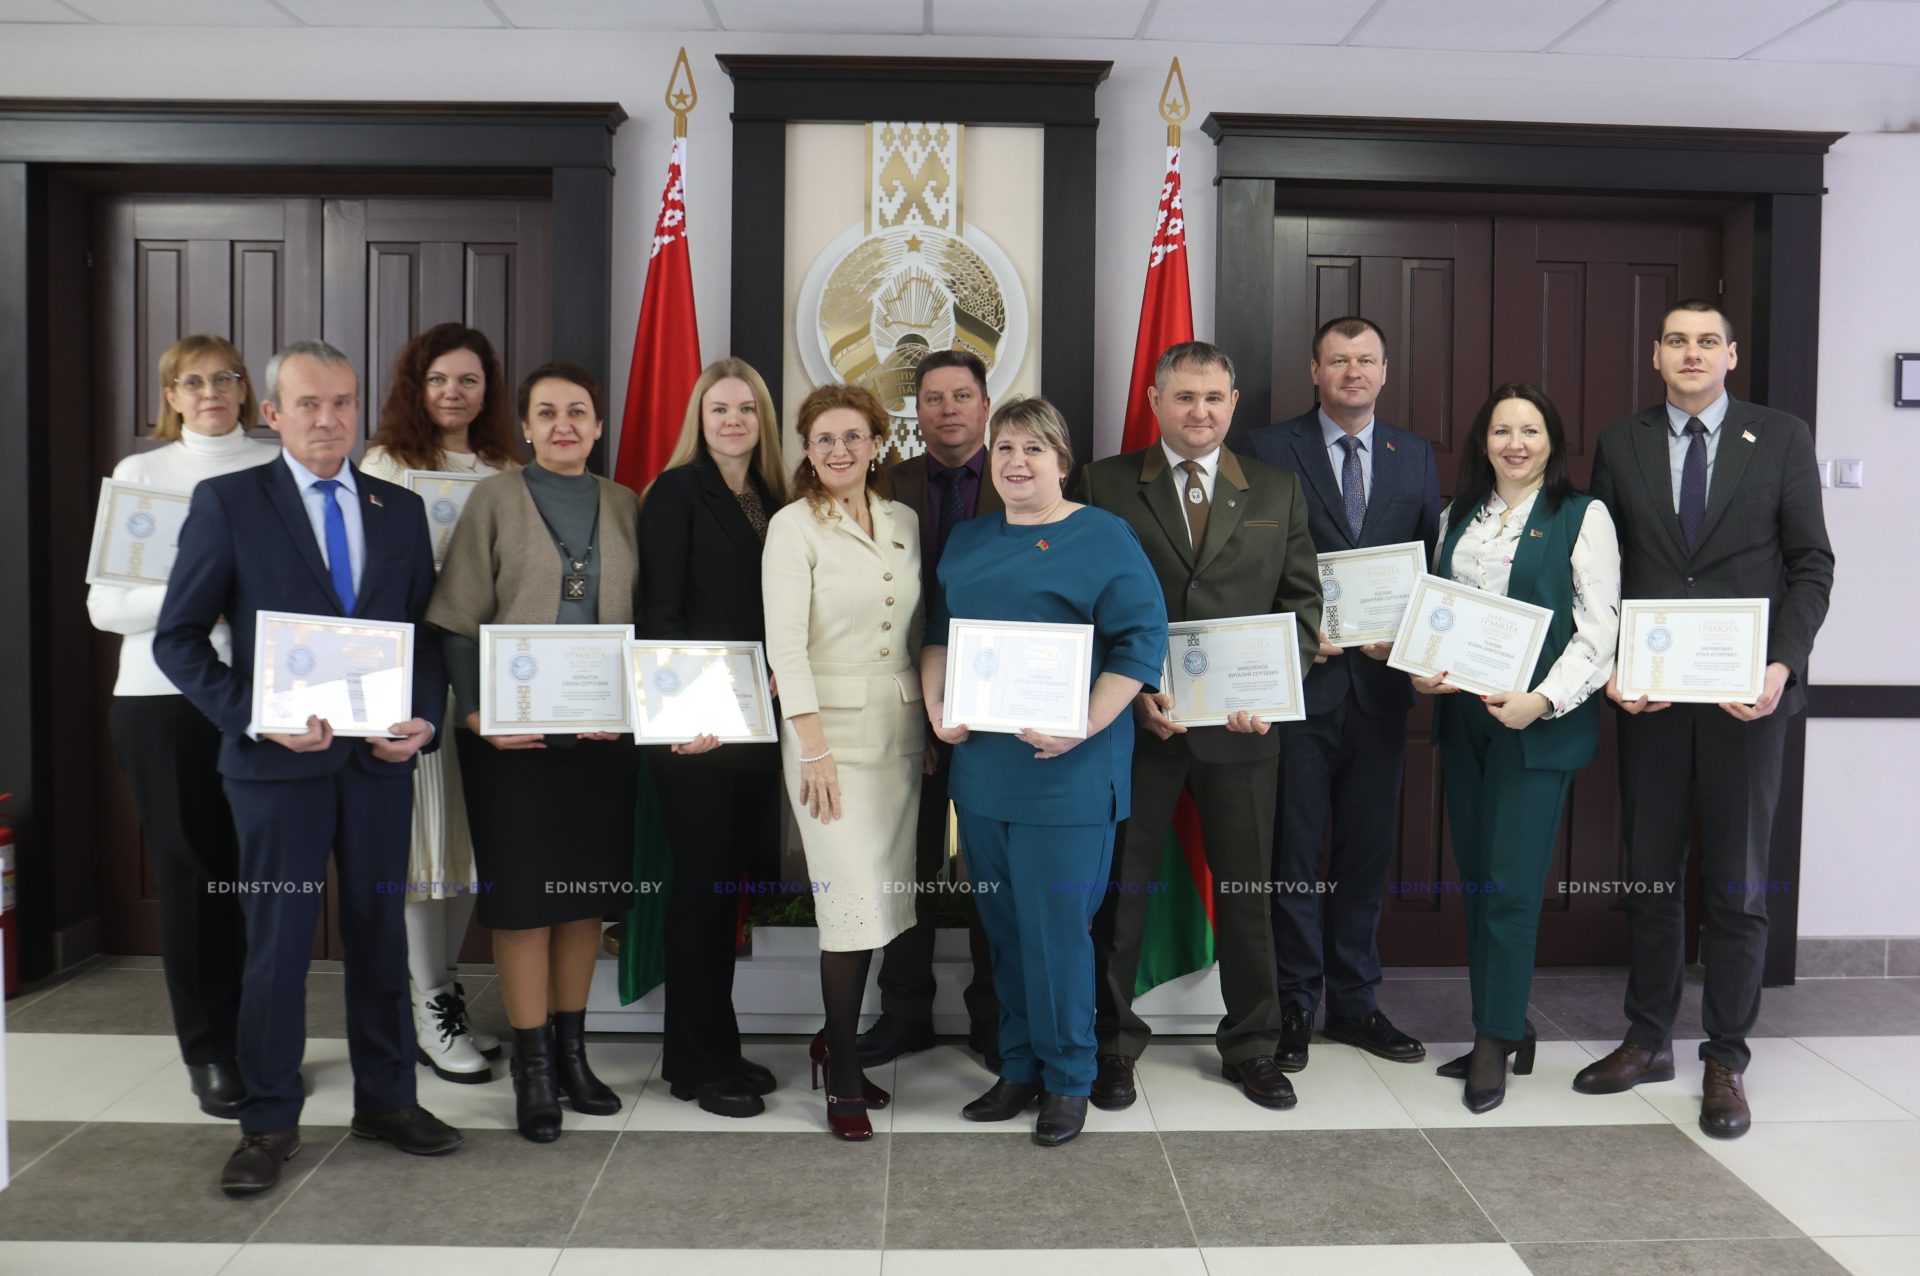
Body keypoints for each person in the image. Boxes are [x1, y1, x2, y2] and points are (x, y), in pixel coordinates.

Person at [154, 338, 458, 1197]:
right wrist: (257, 716)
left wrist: (423, 719)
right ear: (274, 414)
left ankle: (387, 1101)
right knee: (278, 947)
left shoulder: (399, 509)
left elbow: (423, 636)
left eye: (343, 402)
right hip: (274, 771)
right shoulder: (229, 502)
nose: (329, 419)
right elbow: (179, 639)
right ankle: (267, 1121)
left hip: (377, 768)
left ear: (358, 408)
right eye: (310, 404)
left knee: (379, 937)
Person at [1577, 300, 1834, 1138]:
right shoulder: (1621, 442)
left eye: (1708, 342)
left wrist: (1780, 666)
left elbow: (1811, 564)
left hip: (1745, 703)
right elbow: (1601, 572)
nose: (1693, 353)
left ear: (1731, 356)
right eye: (1678, 341)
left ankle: (1726, 1056)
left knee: (1738, 884)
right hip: (1650, 700)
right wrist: (1612, 665)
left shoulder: (1782, 437)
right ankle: (1648, 1039)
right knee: (1650, 875)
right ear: (1656, 355)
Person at [923, 396, 1167, 1147]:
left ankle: (1068, 1078)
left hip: (1069, 773)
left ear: (1062, 462)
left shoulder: (1103, 535)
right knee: (1003, 931)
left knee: (1057, 930)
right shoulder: (967, 539)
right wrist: (938, 708)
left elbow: (1142, 641)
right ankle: (1019, 1066)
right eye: (1004, 448)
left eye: (1033, 448)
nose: (1017, 462)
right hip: (984, 774)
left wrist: (1082, 725)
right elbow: (938, 636)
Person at [1084, 341, 1321, 1112]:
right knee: (1122, 893)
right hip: (1135, 726)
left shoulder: (1277, 489)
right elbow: (1083, 604)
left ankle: (1253, 1046)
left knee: (1247, 895)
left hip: (1243, 732)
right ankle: (1113, 1044)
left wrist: (1274, 689)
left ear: (1233, 402)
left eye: (1214, 397)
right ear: (1155, 401)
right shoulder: (1104, 484)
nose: (1200, 412)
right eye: (1185, 397)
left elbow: (1303, 605)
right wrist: (1124, 692)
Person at [426, 361, 640, 1143]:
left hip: (599, 739)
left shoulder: (625, 504)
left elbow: (643, 621)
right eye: (546, 412)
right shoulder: (494, 499)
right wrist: (475, 713)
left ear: (599, 425)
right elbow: (456, 619)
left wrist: (632, 706)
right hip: (511, 740)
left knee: (581, 899)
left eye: (577, 412)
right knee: (523, 905)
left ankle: (575, 1058)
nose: (563, 425)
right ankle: (535, 1068)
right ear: (524, 426)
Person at [1414, 382, 1620, 1114]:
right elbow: (1441, 614)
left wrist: (1543, 700)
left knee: (1510, 887)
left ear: (1552, 441)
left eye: (1530, 430)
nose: (1515, 444)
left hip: (1536, 724)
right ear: (1484, 442)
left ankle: (1495, 1037)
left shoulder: (1582, 516)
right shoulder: (1458, 515)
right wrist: (1426, 670)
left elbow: (1600, 631)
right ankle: (1505, 1025)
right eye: (1502, 431)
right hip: (1466, 722)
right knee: (1479, 880)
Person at [1242, 315, 1440, 1072]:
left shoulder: (1413, 455)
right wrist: (1291, 632)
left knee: (1366, 853)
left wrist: (1412, 638)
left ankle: (1355, 1003)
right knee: (1292, 852)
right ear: (1314, 371)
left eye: (1366, 360)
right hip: (1299, 686)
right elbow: (1245, 560)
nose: (1353, 372)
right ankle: (1294, 1003)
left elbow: (1432, 569)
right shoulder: (1266, 448)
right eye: (1338, 360)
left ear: (1385, 371)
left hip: (1381, 693)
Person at [88, 334, 278, 1119]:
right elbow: (107, 608)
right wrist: (203, 593)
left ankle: (260, 1039)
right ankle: (209, 1053)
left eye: (224, 378)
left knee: (259, 877)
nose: (210, 393)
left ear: (245, 389)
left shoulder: (276, 466)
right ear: (170, 396)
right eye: (191, 382)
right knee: (195, 878)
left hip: (262, 696)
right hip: (161, 703)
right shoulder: (142, 477)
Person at [762, 383, 926, 1141]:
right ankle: (845, 1071)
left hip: (899, 732)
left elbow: (913, 631)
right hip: (827, 740)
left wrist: (930, 727)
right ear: (806, 448)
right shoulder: (793, 526)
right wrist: (814, 748)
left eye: (853, 436)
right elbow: (785, 647)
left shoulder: (903, 520)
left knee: (883, 904)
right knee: (849, 908)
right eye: (824, 438)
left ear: (876, 444)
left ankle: (837, 1046)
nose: (839, 450)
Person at [360, 322, 520, 1085]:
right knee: (424, 850)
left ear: (488, 390)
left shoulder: (506, 467)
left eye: (468, 380)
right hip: (415, 677)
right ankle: (426, 1003)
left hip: (487, 681)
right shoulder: (385, 464)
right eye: (438, 380)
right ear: (415, 387)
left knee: (466, 849)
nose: (453, 393)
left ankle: (445, 993)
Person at [640, 357, 788, 1119]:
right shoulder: (676, 492)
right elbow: (660, 612)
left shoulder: (772, 498)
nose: (733, 420)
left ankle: (712, 1048)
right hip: (694, 730)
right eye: (719, 408)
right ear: (699, 419)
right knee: (701, 891)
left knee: (727, 888)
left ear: (763, 420)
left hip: (755, 724)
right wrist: (682, 717)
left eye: (746, 408)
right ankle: (698, 1064)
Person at [861, 349, 1003, 1072]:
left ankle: (995, 1014)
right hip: (902, 701)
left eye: (962, 396)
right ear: (915, 411)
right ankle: (904, 1011)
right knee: (904, 862)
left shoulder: (1019, 475)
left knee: (992, 867)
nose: (948, 409)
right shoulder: (884, 484)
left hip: (1000, 707)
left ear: (986, 405)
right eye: (933, 398)